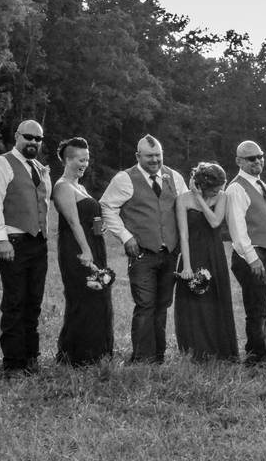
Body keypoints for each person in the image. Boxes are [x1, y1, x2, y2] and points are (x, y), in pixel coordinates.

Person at [101, 134, 188, 363]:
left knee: (162, 305)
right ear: (138, 156)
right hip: (142, 253)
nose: (155, 160)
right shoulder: (124, 178)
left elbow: (185, 209)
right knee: (145, 304)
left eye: (158, 155)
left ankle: (158, 356)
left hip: (170, 253)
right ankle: (140, 358)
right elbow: (107, 208)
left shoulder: (175, 177)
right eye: (149, 156)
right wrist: (125, 236)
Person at [0, 120, 52, 376]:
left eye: (38, 138)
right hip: (14, 242)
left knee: (33, 302)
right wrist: (1, 239)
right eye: (28, 137)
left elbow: (43, 204)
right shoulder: (1, 164)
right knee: (14, 303)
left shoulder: (38, 168)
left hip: (38, 243)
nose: (33, 142)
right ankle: (13, 363)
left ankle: (31, 357)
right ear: (17, 136)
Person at [52, 137, 114, 365]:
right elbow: (73, 222)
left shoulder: (81, 186)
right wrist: (86, 251)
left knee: (100, 297)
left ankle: (98, 352)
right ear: (67, 159)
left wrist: (100, 228)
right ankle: (76, 355)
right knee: (83, 298)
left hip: (95, 245)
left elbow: (89, 218)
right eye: (80, 159)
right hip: (77, 249)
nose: (84, 164)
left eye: (87, 159)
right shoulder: (62, 187)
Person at [226, 140, 266, 365]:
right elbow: (238, 231)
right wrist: (253, 259)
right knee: (257, 309)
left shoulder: (261, 185)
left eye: (260, 156)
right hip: (250, 256)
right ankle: (255, 359)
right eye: (252, 158)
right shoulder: (236, 188)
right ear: (239, 161)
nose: (258, 160)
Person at [174, 162, 238, 362]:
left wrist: (201, 199)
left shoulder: (223, 196)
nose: (218, 192)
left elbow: (215, 221)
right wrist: (186, 266)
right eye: (214, 189)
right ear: (201, 185)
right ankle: (195, 349)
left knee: (215, 301)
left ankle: (218, 350)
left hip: (214, 255)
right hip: (191, 253)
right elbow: (183, 235)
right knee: (193, 303)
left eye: (220, 188)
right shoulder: (182, 200)